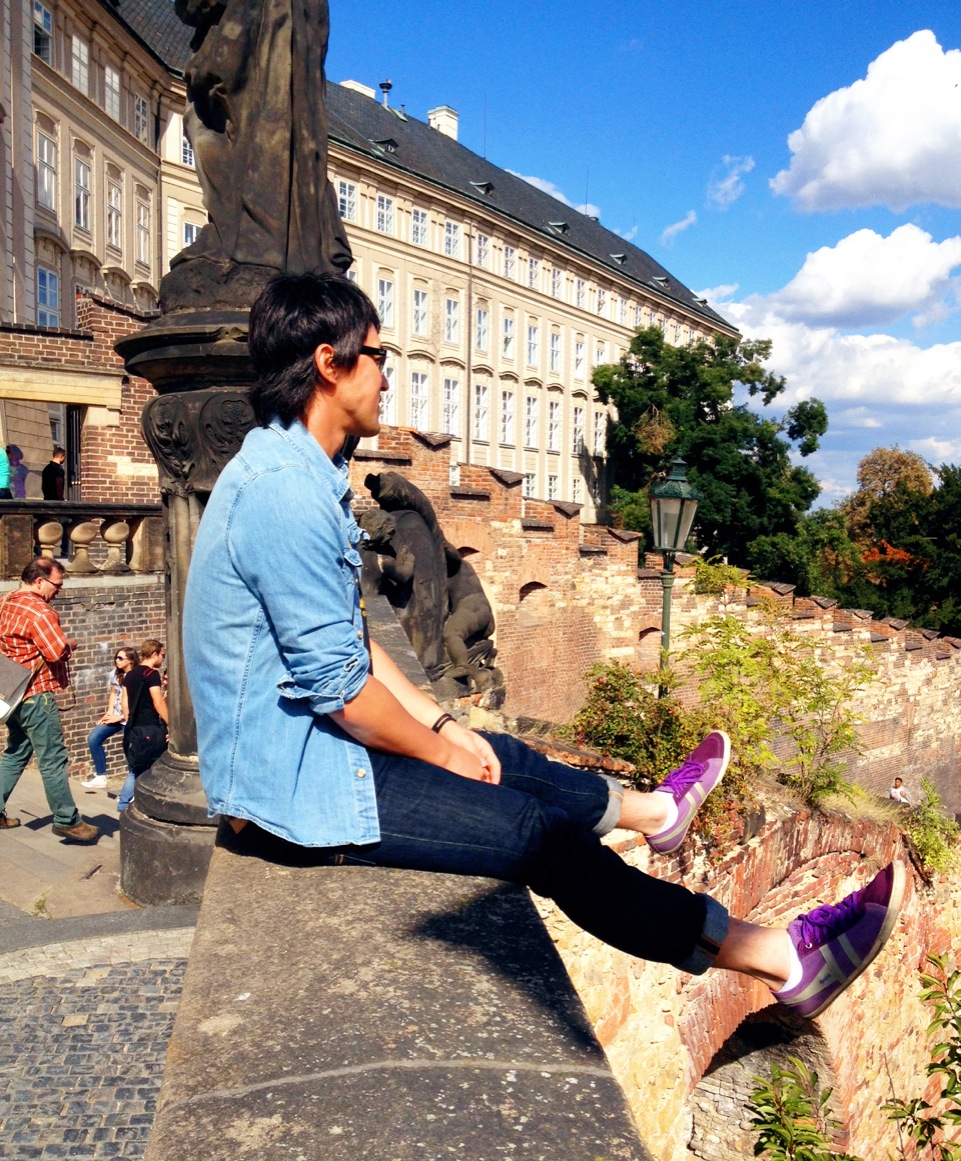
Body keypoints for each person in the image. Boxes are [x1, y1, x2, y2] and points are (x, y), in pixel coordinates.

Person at [183, 274, 904, 1024]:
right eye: (378, 356)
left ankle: (656, 813)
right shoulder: (283, 492)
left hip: (311, 759)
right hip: (292, 796)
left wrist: (443, 725)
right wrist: (443, 755)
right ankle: (782, 959)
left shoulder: (302, 471)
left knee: (503, 756)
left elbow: (352, 640)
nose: (388, 377)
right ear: (328, 363)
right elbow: (343, 691)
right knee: (541, 837)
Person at [0, 558, 99, 840]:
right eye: (57, 584)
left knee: (16, 752)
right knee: (53, 758)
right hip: (36, 694)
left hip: (12, 690)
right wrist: (70, 644)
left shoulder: (6, 600)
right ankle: (67, 819)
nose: (59, 590)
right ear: (39, 581)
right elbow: (56, 652)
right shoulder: (40, 611)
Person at [119, 639, 168, 812]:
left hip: (134, 727)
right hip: (151, 726)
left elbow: (124, 702)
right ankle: (134, 802)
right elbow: (158, 702)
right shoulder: (152, 674)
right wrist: (171, 724)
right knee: (155, 765)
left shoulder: (130, 674)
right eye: (162, 655)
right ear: (154, 654)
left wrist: (130, 722)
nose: (163, 659)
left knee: (138, 766)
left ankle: (124, 803)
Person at [81, 646, 138, 790]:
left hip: (129, 719)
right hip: (116, 715)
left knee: (130, 754)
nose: (117, 660)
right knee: (94, 738)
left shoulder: (135, 676)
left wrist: (120, 717)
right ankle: (101, 776)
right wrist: (109, 711)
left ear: (131, 660)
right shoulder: (115, 673)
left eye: (120, 658)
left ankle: (132, 790)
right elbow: (114, 692)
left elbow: (135, 702)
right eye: (116, 657)